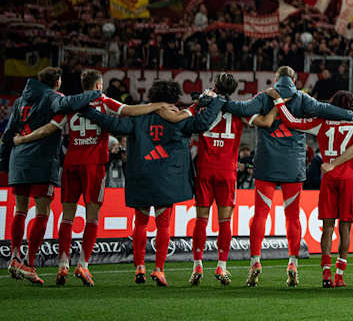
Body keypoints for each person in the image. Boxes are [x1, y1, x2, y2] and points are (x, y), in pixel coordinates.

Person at [10, 69, 170, 286]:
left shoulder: (70, 105)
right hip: (93, 165)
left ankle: (62, 265)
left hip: (71, 164)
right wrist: (156, 105)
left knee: (67, 217)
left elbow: (49, 128)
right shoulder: (102, 100)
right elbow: (130, 111)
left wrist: (23, 139)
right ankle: (83, 265)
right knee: (92, 217)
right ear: (97, 85)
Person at [223, 66, 353, 288]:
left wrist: (216, 100)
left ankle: (255, 261)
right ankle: (292, 263)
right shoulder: (302, 98)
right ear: (295, 79)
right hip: (293, 165)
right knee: (292, 216)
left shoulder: (264, 97)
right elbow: (326, 109)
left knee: (260, 214)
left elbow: (240, 107)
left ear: (276, 78)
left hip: (267, 163)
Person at [77, 81, 226, 286]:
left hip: (141, 174)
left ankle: (139, 267)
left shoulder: (139, 116)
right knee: (163, 224)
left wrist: (87, 111)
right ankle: (159, 270)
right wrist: (218, 103)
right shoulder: (179, 117)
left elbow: (112, 124)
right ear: (173, 97)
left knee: (140, 222)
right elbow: (202, 123)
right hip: (167, 177)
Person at [0, 67, 101, 284]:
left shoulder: (20, 101)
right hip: (41, 161)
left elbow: (9, 132)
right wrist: (96, 93)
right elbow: (68, 104)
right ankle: (28, 264)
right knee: (42, 212)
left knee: (20, 209)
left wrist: (3, 159)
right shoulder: (53, 97)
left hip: (18, 159)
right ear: (56, 82)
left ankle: (15, 257)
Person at [272, 89, 353, 288]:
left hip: (329, 178)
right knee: (345, 227)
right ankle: (339, 275)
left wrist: (279, 101)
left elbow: (292, 122)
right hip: (350, 178)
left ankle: (326, 273)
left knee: (328, 226)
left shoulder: (320, 122)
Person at [186, 73, 253, 286]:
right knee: (225, 221)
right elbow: (255, 118)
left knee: (201, 219)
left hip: (205, 168)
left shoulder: (203, 106)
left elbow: (189, 117)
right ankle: (221, 267)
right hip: (227, 171)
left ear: (214, 86)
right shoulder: (237, 111)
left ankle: (197, 265)